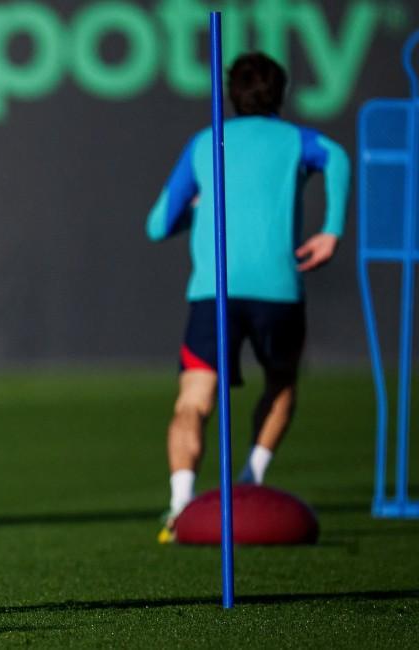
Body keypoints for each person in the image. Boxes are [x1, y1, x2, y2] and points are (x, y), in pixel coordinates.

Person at [145, 53, 349, 543]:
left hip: (213, 293)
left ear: (230, 95)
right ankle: (250, 478)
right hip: (278, 290)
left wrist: (197, 211)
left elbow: (157, 226)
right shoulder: (298, 141)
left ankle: (179, 507)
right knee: (280, 384)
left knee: (193, 402)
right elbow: (338, 157)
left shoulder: (204, 144)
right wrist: (332, 230)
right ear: (280, 93)